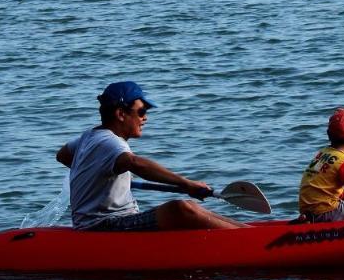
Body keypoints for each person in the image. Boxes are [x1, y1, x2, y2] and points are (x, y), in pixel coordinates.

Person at [55, 81, 245, 231]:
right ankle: (249, 241)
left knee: (190, 207)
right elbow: (136, 163)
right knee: (180, 209)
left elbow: (63, 155)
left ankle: (246, 231)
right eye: (141, 111)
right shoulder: (111, 142)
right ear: (121, 114)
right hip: (106, 225)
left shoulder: (89, 135)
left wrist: (97, 176)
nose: (145, 118)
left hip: (97, 223)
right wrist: (186, 183)